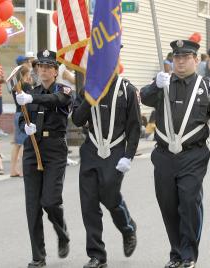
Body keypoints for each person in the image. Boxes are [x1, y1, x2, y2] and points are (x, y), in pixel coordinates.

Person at [140, 40, 210, 268]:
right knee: (168, 205)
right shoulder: (163, 82)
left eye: (186, 57)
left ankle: (189, 255)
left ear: (196, 60)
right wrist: (155, 87)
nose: (180, 61)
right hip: (164, 155)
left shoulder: (207, 86)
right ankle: (176, 253)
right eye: (177, 57)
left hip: (193, 154)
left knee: (189, 202)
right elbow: (144, 98)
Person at [72, 68, 141, 268]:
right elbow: (77, 119)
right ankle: (97, 255)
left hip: (116, 150)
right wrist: (90, 96)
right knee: (89, 203)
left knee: (109, 195)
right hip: (91, 150)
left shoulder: (127, 89)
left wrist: (129, 155)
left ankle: (127, 228)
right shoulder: (88, 88)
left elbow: (135, 126)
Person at [16, 49, 73, 268]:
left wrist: (31, 97)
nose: (43, 70)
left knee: (50, 201)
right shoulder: (30, 92)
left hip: (54, 149)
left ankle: (62, 232)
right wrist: (26, 127)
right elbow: (23, 117)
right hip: (32, 148)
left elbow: (55, 100)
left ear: (56, 71)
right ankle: (38, 256)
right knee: (32, 206)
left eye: (48, 67)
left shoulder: (64, 90)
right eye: (40, 66)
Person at [10, 66, 31, 177]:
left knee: (17, 144)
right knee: (25, 143)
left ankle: (13, 170)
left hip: (17, 113)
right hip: (24, 114)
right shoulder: (26, 85)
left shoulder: (15, 86)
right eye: (29, 73)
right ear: (25, 74)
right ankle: (24, 170)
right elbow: (30, 100)